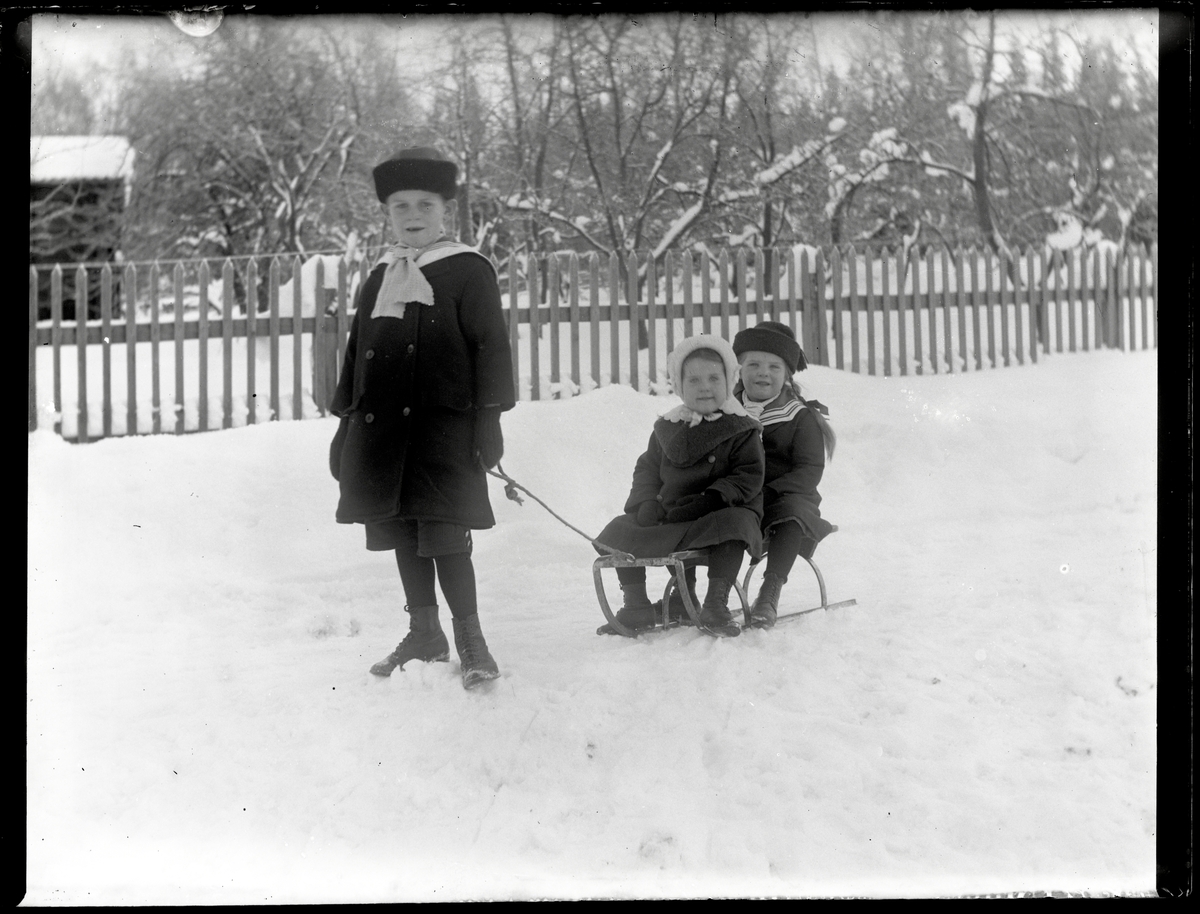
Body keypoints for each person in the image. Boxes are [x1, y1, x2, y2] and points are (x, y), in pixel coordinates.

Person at [328, 146, 515, 689]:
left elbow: (491, 347)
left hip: (443, 430)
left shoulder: (468, 269)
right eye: (401, 206)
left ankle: (472, 641)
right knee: (404, 531)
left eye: (425, 205)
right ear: (387, 213)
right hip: (384, 432)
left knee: (445, 533)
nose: (413, 215)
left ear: (445, 210)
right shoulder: (380, 275)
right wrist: (344, 424)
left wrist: (489, 419)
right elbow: (357, 352)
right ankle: (424, 633)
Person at [595, 334, 765, 638]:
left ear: (729, 381)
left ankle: (715, 603)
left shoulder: (741, 428)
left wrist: (713, 498)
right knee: (621, 529)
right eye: (694, 380)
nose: (704, 387)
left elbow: (748, 474)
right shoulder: (668, 428)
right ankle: (636, 605)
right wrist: (646, 501)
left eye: (714, 378)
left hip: (719, 510)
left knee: (735, 525)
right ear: (679, 385)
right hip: (675, 513)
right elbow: (647, 469)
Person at [731, 321, 837, 628]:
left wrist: (770, 492)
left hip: (786, 497)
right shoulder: (728, 411)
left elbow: (809, 470)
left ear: (787, 374)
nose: (763, 373)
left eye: (774, 367)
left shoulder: (800, 417)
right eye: (754, 364)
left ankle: (770, 590)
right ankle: (705, 594)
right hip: (742, 498)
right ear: (739, 370)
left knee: (790, 515)